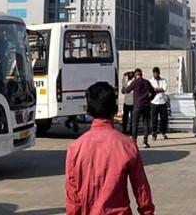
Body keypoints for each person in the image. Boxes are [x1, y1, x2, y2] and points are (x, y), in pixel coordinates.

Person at [65, 81, 155, 215]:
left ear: (88, 110)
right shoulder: (127, 145)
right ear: (115, 109)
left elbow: (72, 197)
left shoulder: (75, 148)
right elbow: (141, 188)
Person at [124, 68, 156, 149]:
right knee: (146, 123)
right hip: (146, 105)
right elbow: (153, 92)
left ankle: (134, 141)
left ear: (135, 75)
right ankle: (145, 142)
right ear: (142, 74)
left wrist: (127, 83)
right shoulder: (146, 82)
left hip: (137, 105)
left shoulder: (134, 82)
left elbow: (127, 90)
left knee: (135, 124)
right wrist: (149, 99)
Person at [150, 67, 170, 140]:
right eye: (154, 73)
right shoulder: (151, 81)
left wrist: (156, 89)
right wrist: (158, 89)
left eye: (156, 73)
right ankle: (154, 133)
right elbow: (151, 90)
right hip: (154, 102)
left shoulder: (163, 80)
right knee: (154, 119)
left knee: (164, 119)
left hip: (162, 102)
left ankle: (163, 132)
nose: (155, 74)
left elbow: (164, 89)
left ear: (159, 73)